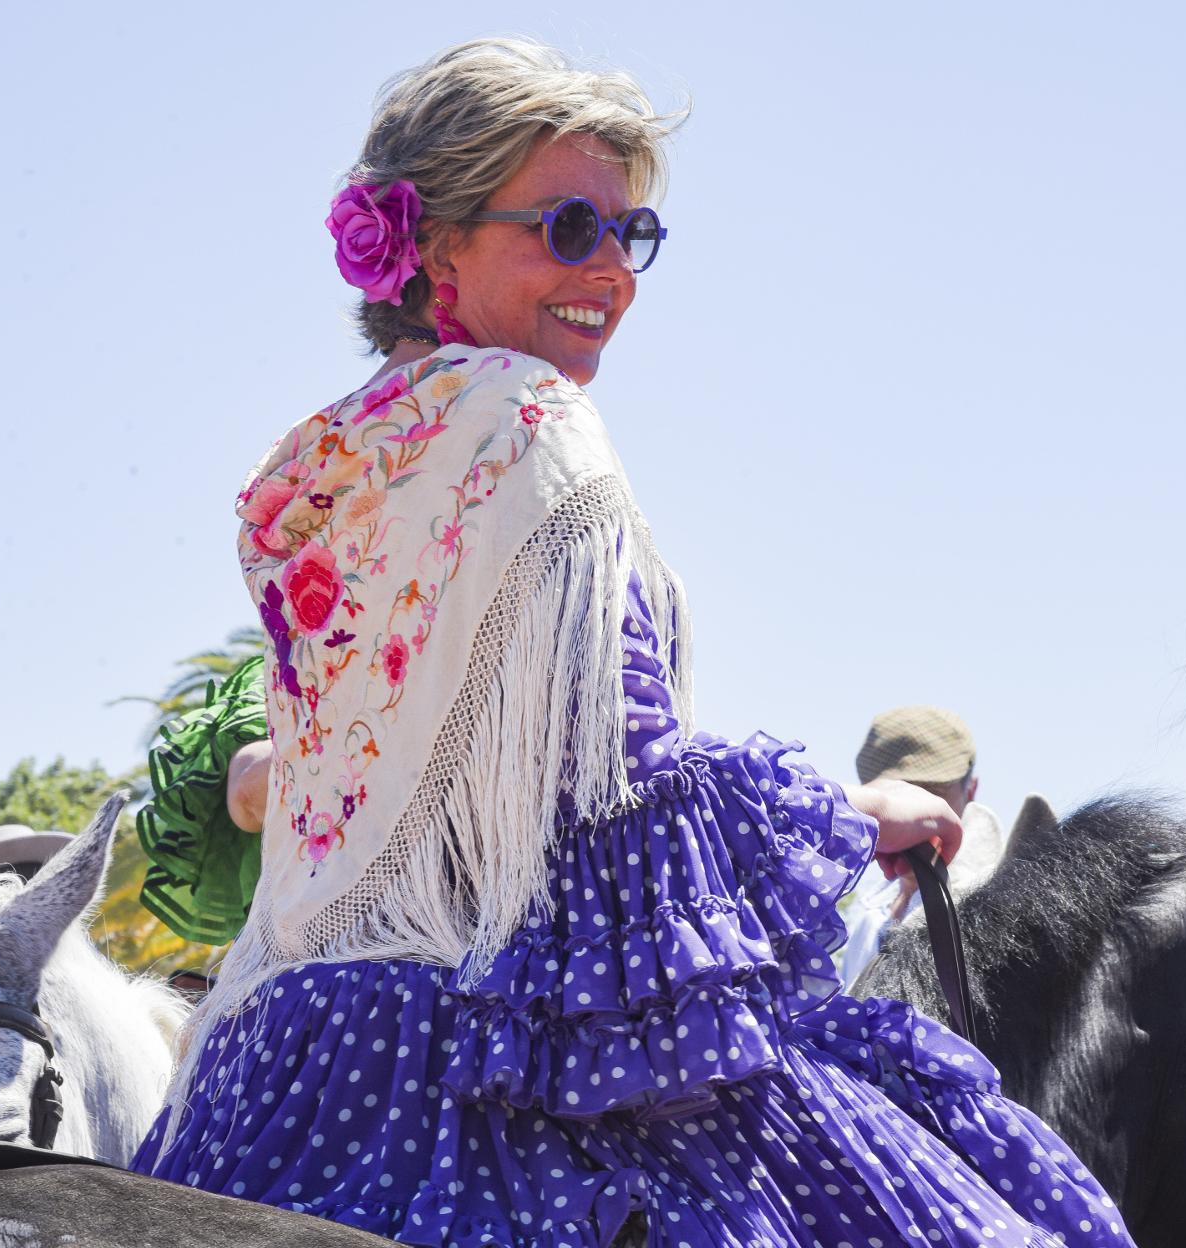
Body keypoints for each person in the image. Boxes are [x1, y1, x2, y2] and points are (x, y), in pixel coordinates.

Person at [131, 38, 1134, 1248]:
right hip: (482, 1068)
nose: (611, 269)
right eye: (567, 228)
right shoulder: (532, 421)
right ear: (435, 238)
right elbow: (616, 787)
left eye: (632, 235)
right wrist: (850, 817)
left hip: (282, 1060)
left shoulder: (312, 468)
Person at [840, 706, 1007, 985]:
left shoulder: (994, 901)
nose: (911, 813)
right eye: (895, 797)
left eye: (931, 794)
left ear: (971, 790)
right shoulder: (868, 911)